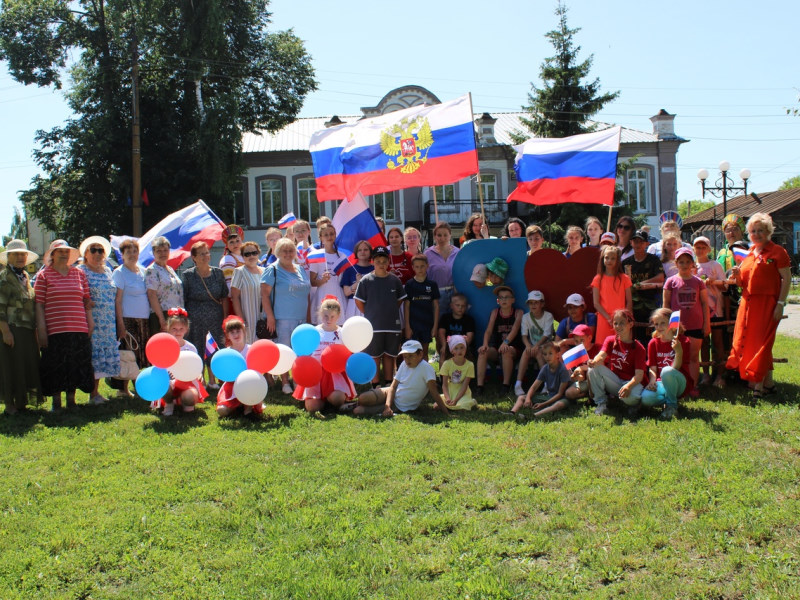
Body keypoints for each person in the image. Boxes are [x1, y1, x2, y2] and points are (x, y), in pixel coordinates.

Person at [726, 213, 791, 398]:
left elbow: (786, 279)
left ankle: (758, 386)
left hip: (767, 303)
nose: (756, 234)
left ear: (768, 231)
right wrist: (737, 275)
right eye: (753, 231)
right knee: (751, 342)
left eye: (760, 230)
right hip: (747, 304)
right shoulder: (749, 253)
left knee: (762, 343)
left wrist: (780, 303)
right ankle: (769, 383)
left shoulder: (778, 251)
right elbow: (742, 284)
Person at [35, 239, 95, 410]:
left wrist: (90, 321)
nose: (64, 254)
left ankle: (71, 400)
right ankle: (56, 402)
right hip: (55, 329)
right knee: (55, 365)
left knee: (75, 364)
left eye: (66, 251)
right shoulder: (43, 275)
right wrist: (41, 329)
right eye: (60, 251)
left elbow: (86, 300)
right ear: (52, 255)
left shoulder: (79, 274)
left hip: (78, 327)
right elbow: (39, 304)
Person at [261, 238, 311, 395]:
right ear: (277, 252)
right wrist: (270, 316)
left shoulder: (300, 269)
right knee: (285, 351)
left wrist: (308, 317)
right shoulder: (272, 270)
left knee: (300, 351)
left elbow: (307, 294)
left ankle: (297, 379)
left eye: (291, 250)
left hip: (301, 318)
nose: (288, 254)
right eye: (284, 251)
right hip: (282, 318)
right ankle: (285, 381)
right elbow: (264, 294)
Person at [293, 296, 356, 416]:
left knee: (337, 398)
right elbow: (305, 353)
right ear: (321, 314)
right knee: (312, 407)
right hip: (315, 372)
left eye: (332, 316)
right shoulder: (314, 331)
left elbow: (348, 355)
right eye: (326, 316)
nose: (329, 319)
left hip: (335, 374)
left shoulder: (342, 333)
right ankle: (322, 401)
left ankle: (332, 400)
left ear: (338, 316)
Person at [353, 339, 449, 417]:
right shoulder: (404, 364)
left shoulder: (426, 369)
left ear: (420, 354)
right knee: (362, 398)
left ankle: (352, 406)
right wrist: (387, 406)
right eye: (405, 356)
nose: (407, 360)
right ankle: (353, 404)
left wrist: (446, 413)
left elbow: (434, 392)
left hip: (400, 406)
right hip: (390, 393)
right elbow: (393, 387)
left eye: (411, 356)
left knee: (357, 411)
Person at [354, 246, 406, 388]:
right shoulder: (366, 280)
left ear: (388, 262)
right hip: (374, 326)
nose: (381, 264)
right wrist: (370, 313)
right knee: (375, 356)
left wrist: (389, 310)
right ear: (372, 262)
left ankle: (388, 383)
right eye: (378, 261)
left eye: (384, 261)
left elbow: (399, 300)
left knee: (390, 355)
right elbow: (359, 301)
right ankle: (375, 384)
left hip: (392, 325)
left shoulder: (394, 280)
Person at [0, 240, 41, 414]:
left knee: (25, 365)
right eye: (16, 254)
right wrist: (5, 331)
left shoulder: (25, 276)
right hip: (12, 328)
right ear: (8, 257)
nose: (20, 257)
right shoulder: (4, 278)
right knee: (11, 366)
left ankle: (21, 403)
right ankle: (10, 404)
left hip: (27, 329)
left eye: (22, 254)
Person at [78, 236, 120, 405]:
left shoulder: (108, 271)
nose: (97, 253)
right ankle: (92, 393)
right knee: (93, 356)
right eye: (93, 250)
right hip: (92, 320)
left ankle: (96, 392)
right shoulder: (81, 271)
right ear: (86, 253)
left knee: (103, 356)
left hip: (108, 321)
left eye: (100, 250)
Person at [181, 241, 228, 389]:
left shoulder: (218, 273)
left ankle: (218, 379)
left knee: (217, 347)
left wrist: (225, 317)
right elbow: (184, 298)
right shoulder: (188, 275)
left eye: (207, 252)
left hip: (215, 318)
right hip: (195, 319)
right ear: (194, 257)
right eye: (201, 254)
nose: (205, 256)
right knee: (198, 347)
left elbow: (224, 297)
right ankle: (199, 380)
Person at [663, 248, 709, 392]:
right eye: (681, 262)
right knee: (678, 356)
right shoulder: (670, 281)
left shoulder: (698, 282)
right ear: (676, 263)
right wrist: (666, 326)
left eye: (688, 262)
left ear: (692, 263)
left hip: (695, 324)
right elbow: (666, 305)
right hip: (676, 326)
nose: (684, 265)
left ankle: (693, 386)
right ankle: (677, 386)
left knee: (694, 357)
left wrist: (706, 324)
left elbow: (704, 303)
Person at [587, 309, 647, 417]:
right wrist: (594, 361)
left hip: (632, 382)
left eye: (622, 323)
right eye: (615, 323)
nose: (618, 326)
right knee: (593, 368)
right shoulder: (610, 340)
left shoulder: (639, 348)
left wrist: (628, 386)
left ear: (631, 324)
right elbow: (601, 355)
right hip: (616, 381)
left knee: (630, 399)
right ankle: (601, 403)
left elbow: (639, 376)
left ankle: (635, 404)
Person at [113, 239, 150, 398]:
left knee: (140, 353)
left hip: (143, 319)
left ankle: (139, 385)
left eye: (135, 251)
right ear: (122, 255)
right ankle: (123, 389)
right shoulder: (119, 273)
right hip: (127, 319)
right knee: (128, 353)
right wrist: (120, 324)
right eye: (128, 252)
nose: (132, 255)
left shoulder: (143, 271)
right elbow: (117, 300)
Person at [641, 308, 693, 420]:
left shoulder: (683, 341)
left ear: (671, 323)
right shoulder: (653, 343)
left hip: (680, 382)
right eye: (656, 324)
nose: (659, 327)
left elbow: (676, 368)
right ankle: (668, 398)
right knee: (645, 399)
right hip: (661, 382)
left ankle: (671, 406)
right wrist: (652, 381)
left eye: (663, 323)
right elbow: (652, 368)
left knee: (667, 371)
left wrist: (678, 351)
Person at [158, 308, 208, 416]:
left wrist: (199, 374)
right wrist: (166, 373)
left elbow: (195, 365)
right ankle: (169, 403)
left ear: (186, 329)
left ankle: (186, 403)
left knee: (189, 398)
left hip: (186, 382)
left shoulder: (190, 348)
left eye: (181, 329)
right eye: (174, 329)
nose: (178, 332)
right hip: (170, 381)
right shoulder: (165, 347)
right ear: (168, 329)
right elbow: (159, 365)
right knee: (164, 386)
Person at [476, 285, 523, 395]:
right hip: (497, 348)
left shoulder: (518, 312)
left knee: (506, 351)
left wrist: (505, 342)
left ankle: (506, 385)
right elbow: (488, 331)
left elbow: (515, 330)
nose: (504, 300)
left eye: (507, 297)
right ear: (498, 301)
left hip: (514, 348)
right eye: (501, 297)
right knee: (483, 352)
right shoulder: (495, 312)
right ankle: (479, 386)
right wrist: (485, 344)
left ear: (513, 300)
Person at [693, 236, 726, 388]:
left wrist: (714, 282)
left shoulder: (715, 265)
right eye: (697, 247)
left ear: (708, 249)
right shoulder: (692, 266)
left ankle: (719, 375)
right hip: (699, 311)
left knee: (718, 342)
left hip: (716, 311)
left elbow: (725, 286)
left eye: (703, 247)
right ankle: (705, 374)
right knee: (704, 343)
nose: (700, 250)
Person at [216, 316, 265, 418]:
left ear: (244, 332)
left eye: (238, 331)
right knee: (222, 411)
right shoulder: (226, 353)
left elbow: (259, 370)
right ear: (228, 335)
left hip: (250, 384)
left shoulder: (251, 350)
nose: (236, 335)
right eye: (232, 332)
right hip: (231, 385)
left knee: (250, 402)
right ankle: (237, 405)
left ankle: (248, 409)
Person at [622, 229, 665, 345]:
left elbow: (661, 277)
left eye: (641, 242)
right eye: (635, 241)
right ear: (631, 243)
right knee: (633, 337)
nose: (638, 244)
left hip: (651, 304)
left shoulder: (653, 260)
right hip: (632, 305)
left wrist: (642, 284)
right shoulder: (626, 263)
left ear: (647, 244)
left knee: (651, 337)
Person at [510, 340, 570, 418]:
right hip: (549, 396)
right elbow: (534, 387)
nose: (547, 357)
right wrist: (528, 399)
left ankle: (533, 416)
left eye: (550, 353)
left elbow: (560, 394)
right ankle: (512, 412)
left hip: (561, 398)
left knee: (559, 404)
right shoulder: (545, 368)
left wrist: (543, 404)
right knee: (521, 397)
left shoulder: (563, 369)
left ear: (558, 354)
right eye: (545, 354)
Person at [514, 290, 554, 397]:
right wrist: (528, 345)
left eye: (536, 302)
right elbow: (524, 335)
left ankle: (546, 384)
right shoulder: (526, 317)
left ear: (542, 304)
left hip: (545, 345)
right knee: (525, 353)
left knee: (539, 353)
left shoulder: (548, 316)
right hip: (532, 346)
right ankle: (518, 384)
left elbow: (546, 335)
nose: (533, 305)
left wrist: (536, 346)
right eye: (531, 303)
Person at [591, 245, 633, 346]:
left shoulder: (624, 278)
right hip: (604, 319)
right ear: (603, 259)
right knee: (603, 346)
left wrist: (625, 318)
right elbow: (596, 303)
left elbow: (629, 301)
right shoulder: (598, 279)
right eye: (607, 258)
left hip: (621, 320)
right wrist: (609, 318)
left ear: (617, 260)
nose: (609, 260)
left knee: (621, 346)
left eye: (613, 258)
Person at [309, 223, 348, 324]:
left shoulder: (342, 256)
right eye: (325, 235)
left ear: (335, 235)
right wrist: (322, 280)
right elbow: (312, 282)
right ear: (321, 238)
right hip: (322, 295)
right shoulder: (317, 255)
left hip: (338, 295)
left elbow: (345, 279)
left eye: (331, 234)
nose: (329, 237)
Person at [145, 236, 183, 334]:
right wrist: (162, 320)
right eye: (159, 251)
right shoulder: (152, 270)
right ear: (153, 253)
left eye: (165, 250)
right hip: (161, 316)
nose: (163, 253)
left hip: (175, 315)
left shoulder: (170, 269)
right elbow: (151, 295)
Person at [231, 241, 264, 344]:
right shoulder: (239, 272)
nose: (251, 256)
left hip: (264, 318)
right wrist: (241, 320)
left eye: (254, 253)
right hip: (248, 318)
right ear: (242, 256)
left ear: (258, 253)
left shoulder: (265, 271)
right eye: (247, 254)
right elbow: (235, 297)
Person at [404, 254, 439, 350]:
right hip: (413, 325)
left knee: (425, 351)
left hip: (427, 324)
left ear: (427, 266)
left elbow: (436, 306)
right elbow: (406, 306)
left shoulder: (432, 285)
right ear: (413, 267)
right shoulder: (409, 284)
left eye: (422, 266)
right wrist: (407, 326)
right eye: (417, 267)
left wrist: (435, 326)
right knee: (414, 351)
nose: (420, 269)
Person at [425, 221, 459, 317]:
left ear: (450, 235)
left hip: (455, 294)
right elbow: (424, 276)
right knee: (439, 322)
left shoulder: (458, 252)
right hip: (436, 295)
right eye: (439, 235)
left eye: (445, 235)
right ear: (435, 236)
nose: (442, 238)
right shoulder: (428, 253)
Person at [563, 324, 601, 404]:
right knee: (569, 393)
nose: (579, 344)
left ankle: (593, 396)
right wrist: (578, 376)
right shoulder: (577, 353)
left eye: (582, 340)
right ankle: (587, 394)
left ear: (589, 338)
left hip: (598, 380)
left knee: (590, 372)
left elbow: (601, 366)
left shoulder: (598, 348)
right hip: (585, 382)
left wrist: (582, 368)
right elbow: (581, 374)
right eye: (576, 341)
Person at [439, 335, 477, 410]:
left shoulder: (470, 365)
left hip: (463, 394)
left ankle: (466, 402)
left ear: (465, 348)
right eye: (456, 348)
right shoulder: (447, 363)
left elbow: (464, 386)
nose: (459, 351)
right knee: (437, 406)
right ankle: (450, 404)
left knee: (463, 407)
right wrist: (448, 399)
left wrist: (456, 400)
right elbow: (444, 385)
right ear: (452, 350)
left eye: (462, 347)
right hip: (450, 393)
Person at [437, 293, 476, 362]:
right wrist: (444, 345)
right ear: (451, 306)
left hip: (463, 347)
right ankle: (443, 369)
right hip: (448, 346)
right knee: (443, 353)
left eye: (463, 306)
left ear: (466, 307)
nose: (460, 308)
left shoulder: (469, 320)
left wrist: (460, 349)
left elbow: (470, 337)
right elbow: (441, 333)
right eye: (457, 305)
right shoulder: (445, 318)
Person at [340, 240, 374, 319]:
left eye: (366, 249)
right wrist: (358, 282)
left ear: (370, 252)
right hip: (353, 305)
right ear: (356, 252)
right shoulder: (349, 270)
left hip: (370, 303)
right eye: (359, 250)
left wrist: (362, 291)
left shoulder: (375, 269)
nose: (362, 252)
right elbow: (346, 292)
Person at [219, 224, 245, 293]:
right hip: (236, 296)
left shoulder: (245, 256)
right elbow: (229, 286)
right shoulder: (228, 259)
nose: (235, 244)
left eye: (237, 241)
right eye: (231, 242)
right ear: (227, 245)